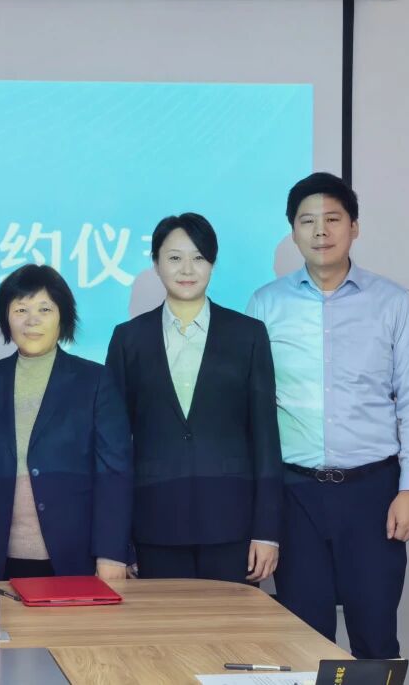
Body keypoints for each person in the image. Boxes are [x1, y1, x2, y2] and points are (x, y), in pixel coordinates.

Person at [246, 172, 409, 659]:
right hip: (296, 494)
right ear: (293, 231)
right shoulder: (266, 304)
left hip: (374, 492)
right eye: (307, 221)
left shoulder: (393, 302)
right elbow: (253, 409)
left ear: (354, 227)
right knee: (304, 641)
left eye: (332, 219)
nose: (321, 231)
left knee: (376, 636)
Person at [0, 264, 132, 581]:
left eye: (45, 309)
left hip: (75, 556)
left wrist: (112, 553)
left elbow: (114, 474)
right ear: (6, 318)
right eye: (21, 309)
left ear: (62, 317)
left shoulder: (95, 380)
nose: (32, 320)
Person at [107, 213, 281, 583]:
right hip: (154, 522)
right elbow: (115, 446)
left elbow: (266, 437)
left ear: (212, 264)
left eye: (198, 257)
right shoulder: (128, 338)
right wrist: (118, 540)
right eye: (174, 258)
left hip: (231, 522)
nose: (187, 269)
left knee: (229, 622)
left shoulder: (248, 334)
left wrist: (266, 531)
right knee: (163, 622)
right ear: (156, 264)